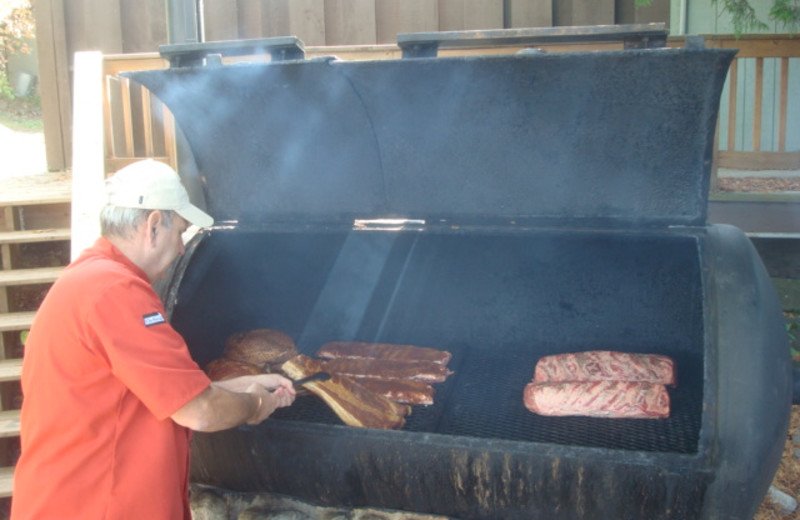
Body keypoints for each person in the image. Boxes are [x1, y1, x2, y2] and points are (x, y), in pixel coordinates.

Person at [10, 159, 296, 520]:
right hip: (96, 504)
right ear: (154, 224)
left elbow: (161, 394)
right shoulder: (117, 292)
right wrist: (254, 406)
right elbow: (199, 411)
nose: (180, 249)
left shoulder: (89, 280)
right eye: (180, 232)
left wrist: (247, 383)